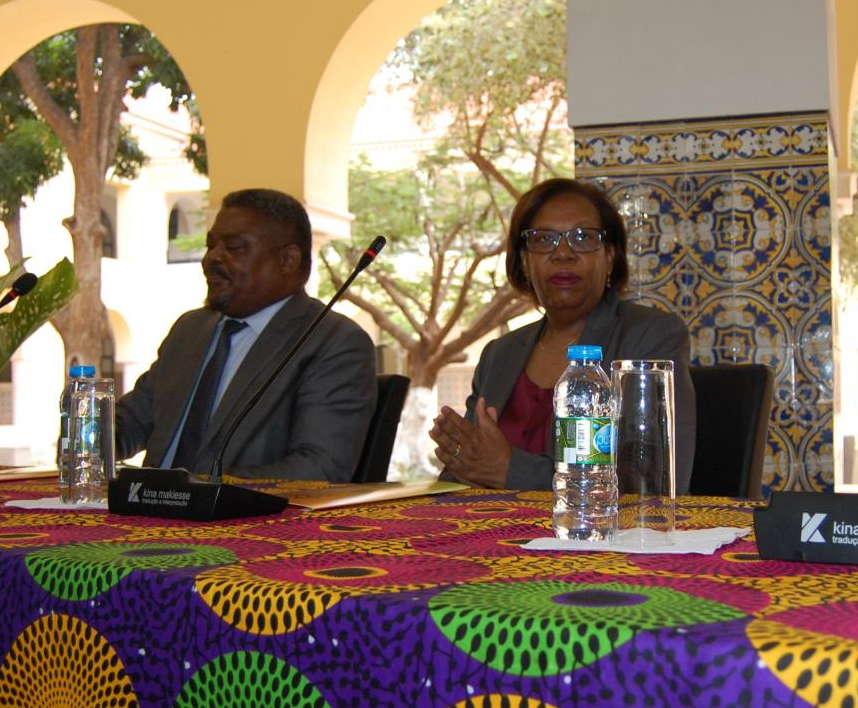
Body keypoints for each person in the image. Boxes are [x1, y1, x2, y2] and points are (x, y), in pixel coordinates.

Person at [430, 178, 697, 491]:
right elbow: (469, 467)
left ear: (610, 255)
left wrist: (509, 470)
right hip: (494, 535)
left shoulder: (650, 337)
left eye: (582, 237)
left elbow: (648, 479)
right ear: (525, 262)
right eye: (544, 240)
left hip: (601, 538)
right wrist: (457, 460)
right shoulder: (500, 354)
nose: (564, 253)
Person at [116, 188, 376, 481]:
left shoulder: (331, 342)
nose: (211, 259)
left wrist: (199, 490)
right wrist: (85, 427)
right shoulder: (189, 330)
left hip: (244, 523)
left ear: (288, 260)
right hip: (143, 515)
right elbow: (132, 421)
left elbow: (320, 469)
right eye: (210, 245)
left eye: (234, 247)